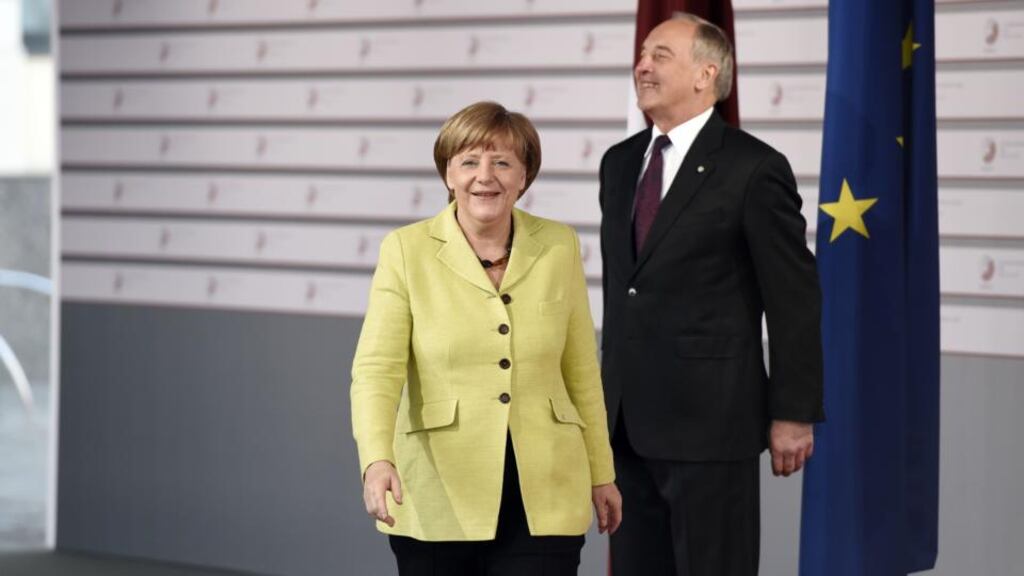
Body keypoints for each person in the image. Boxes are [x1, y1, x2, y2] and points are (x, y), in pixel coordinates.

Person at [351, 101, 622, 575]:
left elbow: (580, 371)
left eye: (502, 163)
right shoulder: (406, 250)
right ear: (448, 173)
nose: (485, 177)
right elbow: (377, 371)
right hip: (439, 490)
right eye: (470, 162)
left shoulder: (559, 245)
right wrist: (376, 460)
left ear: (524, 176)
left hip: (545, 491)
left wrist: (602, 473)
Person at [598, 13, 824, 576]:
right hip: (625, 426)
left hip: (712, 428)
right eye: (642, 54)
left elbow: (793, 300)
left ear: (706, 74)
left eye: (660, 55)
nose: (642, 65)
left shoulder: (754, 168)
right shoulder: (619, 163)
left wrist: (793, 413)